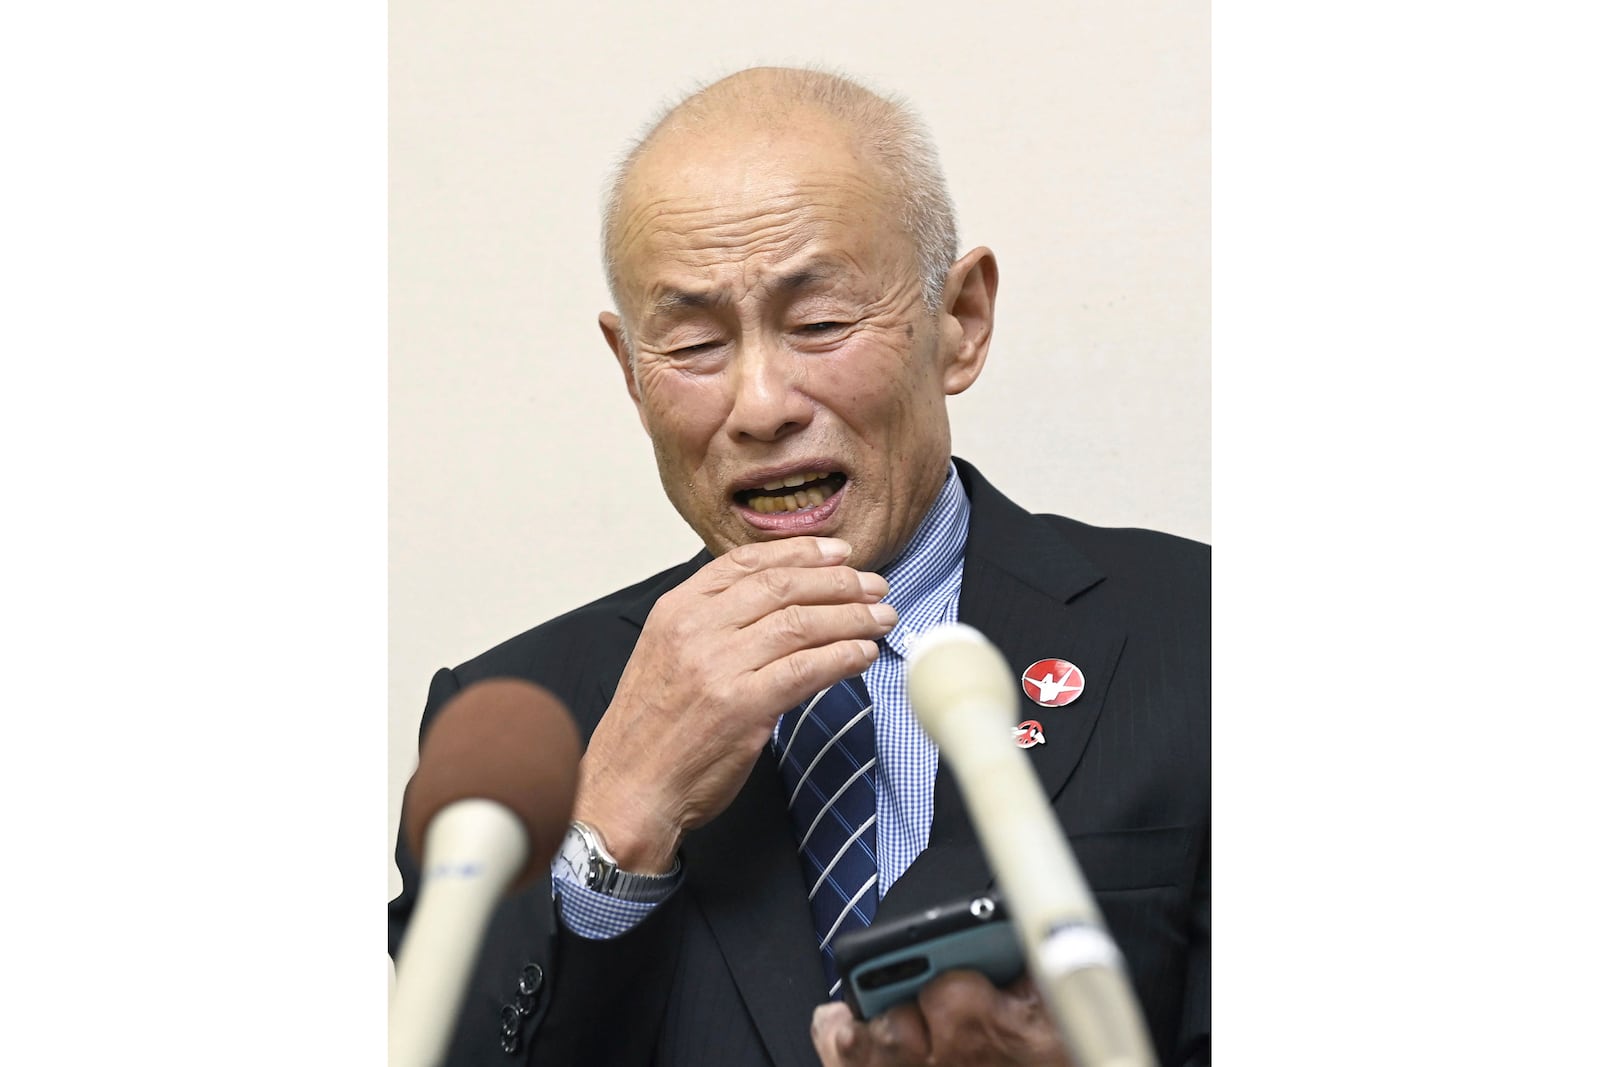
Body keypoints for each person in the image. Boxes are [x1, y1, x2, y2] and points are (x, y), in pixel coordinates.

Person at [389, 66, 1209, 1067]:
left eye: (819, 324)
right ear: (629, 371)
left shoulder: (1200, 636)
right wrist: (608, 832)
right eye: (691, 343)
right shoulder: (514, 716)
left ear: (959, 320)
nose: (762, 403)